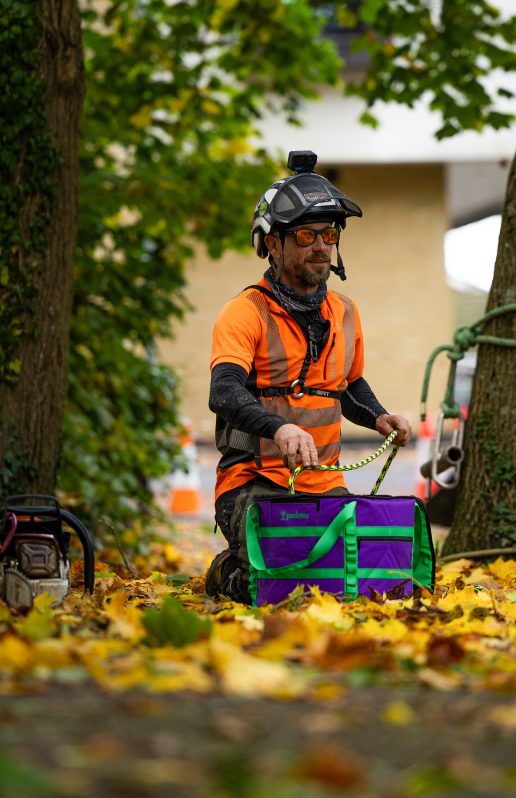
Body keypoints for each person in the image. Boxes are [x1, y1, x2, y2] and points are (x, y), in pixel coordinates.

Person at [205, 150, 411, 601]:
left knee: (359, 575)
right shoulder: (244, 312)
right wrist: (278, 428)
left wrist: (379, 417)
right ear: (272, 244)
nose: (320, 245)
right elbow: (223, 393)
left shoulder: (347, 312)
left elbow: (349, 385)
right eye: (304, 234)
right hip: (253, 485)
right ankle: (229, 571)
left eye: (328, 233)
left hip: (326, 483)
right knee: (289, 581)